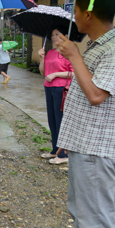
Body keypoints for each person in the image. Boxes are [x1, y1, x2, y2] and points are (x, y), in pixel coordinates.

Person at [57, 0, 115, 228]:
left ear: (88, 14)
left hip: (97, 151)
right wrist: (70, 138)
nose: (74, 16)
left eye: (76, 11)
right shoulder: (97, 46)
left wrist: (75, 56)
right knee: (83, 217)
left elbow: (96, 94)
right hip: (86, 145)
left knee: (97, 227)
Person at [37, 26, 73, 165]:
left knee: (60, 120)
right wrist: (42, 58)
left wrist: (56, 74)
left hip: (61, 89)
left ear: (65, 36)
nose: (54, 37)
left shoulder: (68, 53)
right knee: (51, 119)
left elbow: (74, 72)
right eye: (52, 35)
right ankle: (54, 150)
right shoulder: (50, 53)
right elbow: (43, 72)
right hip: (48, 87)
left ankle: (63, 154)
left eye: (57, 34)